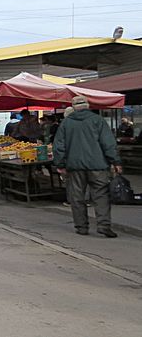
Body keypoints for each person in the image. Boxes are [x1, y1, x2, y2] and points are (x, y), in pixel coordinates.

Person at [53, 96, 122, 238]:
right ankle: (103, 226)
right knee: (101, 195)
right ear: (88, 105)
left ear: (73, 107)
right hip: (98, 165)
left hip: (74, 166)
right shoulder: (98, 120)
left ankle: (82, 227)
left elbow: (59, 146)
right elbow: (108, 143)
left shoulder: (66, 123)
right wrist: (115, 162)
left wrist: (60, 164)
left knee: (77, 196)